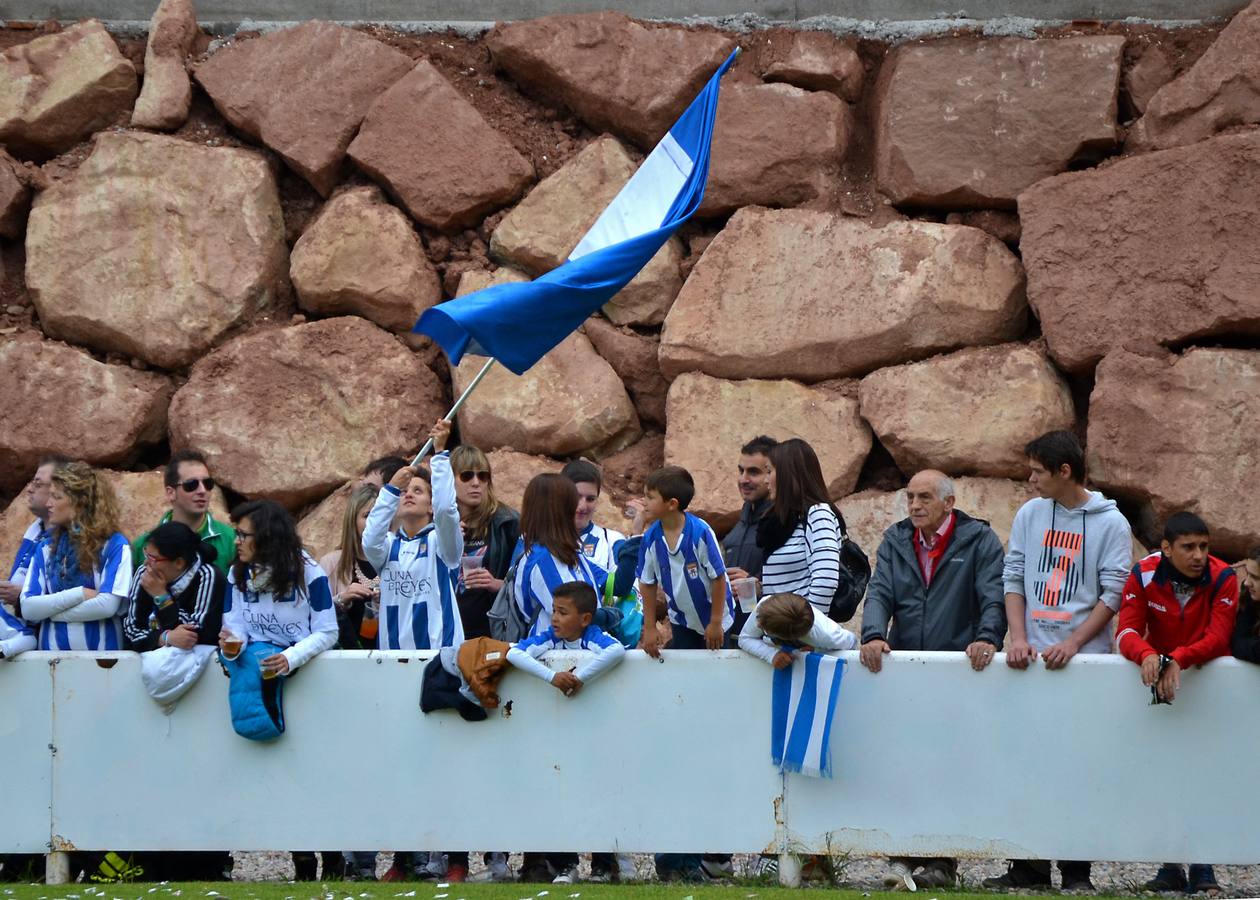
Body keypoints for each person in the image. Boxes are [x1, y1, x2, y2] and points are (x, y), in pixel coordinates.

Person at [987, 430, 1134, 892]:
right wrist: (1019, 637)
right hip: (1028, 661)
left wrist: (1073, 644)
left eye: (1037, 471)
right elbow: (1013, 576)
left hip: (1082, 665)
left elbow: (1113, 592)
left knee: (1077, 767)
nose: (1030, 479)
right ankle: (1026, 866)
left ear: (1063, 471)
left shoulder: (1112, 523)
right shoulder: (1031, 513)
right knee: (1024, 764)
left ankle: (1076, 871)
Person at [860, 469, 1005, 892]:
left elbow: (991, 594)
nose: (916, 505)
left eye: (924, 497)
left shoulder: (979, 540)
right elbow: (880, 590)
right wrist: (871, 634)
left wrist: (987, 637)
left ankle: (941, 859)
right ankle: (903, 850)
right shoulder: (895, 539)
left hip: (956, 671)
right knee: (904, 759)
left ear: (949, 502)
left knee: (948, 762)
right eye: (910, 498)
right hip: (905, 668)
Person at [1116, 512, 1237, 896]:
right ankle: (1169, 865)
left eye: (1204, 546)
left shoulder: (1223, 577)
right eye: (1188, 547)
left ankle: (1204, 866)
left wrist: (1176, 659)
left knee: (1205, 774)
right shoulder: (1143, 572)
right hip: (1164, 681)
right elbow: (1127, 631)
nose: (1199, 555)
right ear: (1166, 549)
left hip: (1208, 684)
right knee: (1162, 771)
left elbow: (1219, 638)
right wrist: (1147, 654)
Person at [506, 581, 627, 885]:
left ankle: (603, 864)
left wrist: (579, 678)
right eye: (553, 612)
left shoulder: (593, 638)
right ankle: (566, 864)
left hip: (595, 735)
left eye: (562, 612)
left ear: (585, 619)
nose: (555, 619)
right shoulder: (549, 639)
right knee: (559, 794)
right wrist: (552, 676)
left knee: (598, 792)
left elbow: (617, 652)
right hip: (557, 738)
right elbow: (514, 654)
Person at [17, 461, 132, 651]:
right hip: (51, 664)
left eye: (56, 497)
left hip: (103, 665)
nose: (48, 503)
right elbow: (28, 608)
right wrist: (79, 594)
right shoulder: (45, 548)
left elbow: (107, 605)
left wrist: (53, 614)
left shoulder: (115, 545)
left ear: (80, 502)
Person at [637, 466, 733, 655]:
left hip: (716, 617)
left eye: (650, 497)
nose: (643, 502)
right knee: (687, 674)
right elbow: (647, 582)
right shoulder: (650, 538)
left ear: (672, 504)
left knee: (717, 671)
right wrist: (649, 627)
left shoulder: (700, 533)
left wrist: (715, 622)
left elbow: (718, 578)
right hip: (681, 620)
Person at [757, 438, 842, 619]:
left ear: (788, 475)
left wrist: (808, 632)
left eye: (769, 471)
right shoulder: (787, 522)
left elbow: (826, 580)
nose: (765, 481)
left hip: (802, 638)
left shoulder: (818, 514)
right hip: (782, 633)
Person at [515, 473, 606, 639]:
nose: (579, 509)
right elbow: (576, 618)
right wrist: (608, 617)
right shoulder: (544, 559)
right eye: (573, 503)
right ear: (559, 511)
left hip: (576, 653)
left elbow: (613, 583)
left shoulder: (568, 550)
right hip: (555, 655)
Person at [451, 443, 519, 639]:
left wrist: (499, 585)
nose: (475, 482)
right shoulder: (438, 525)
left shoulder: (507, 522)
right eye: (466, 476)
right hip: (449, 630)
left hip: (492, 630)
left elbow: (529, 579)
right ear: (450, 481)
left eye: (482, 476)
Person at [131, 450, 236, 577]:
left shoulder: (232, 541)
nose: (202, 490)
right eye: (191, 485)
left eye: (208, 483)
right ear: (171, 493)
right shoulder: (143, 546)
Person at [318, 484, 382, 652]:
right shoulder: (331, 564)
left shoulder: (399, 563)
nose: (374, 522)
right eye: (367, 515)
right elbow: (312, 615)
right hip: (343, 660)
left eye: (380, 515)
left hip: (389, 658)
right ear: (353, 520)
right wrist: (341, 600)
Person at [724, 436, 777, 632]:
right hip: (732, 634)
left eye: (753, 472)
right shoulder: (740, 522)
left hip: (767, 638)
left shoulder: (784, 522)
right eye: (741, 471)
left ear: (772, 473)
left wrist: (759, 585)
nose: (743, 480)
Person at [2, 455, 64, 607]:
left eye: (38, 484)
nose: (29, 489)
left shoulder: (72, 539)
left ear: (58, 490)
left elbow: (75, 597)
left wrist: (23, 596)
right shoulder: (35, 530)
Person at [739, 591, 857, 667]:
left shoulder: (827, 635)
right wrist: (771, 655)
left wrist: (818, 650)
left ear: (787, 636)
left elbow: (852, 643)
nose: (758, 625)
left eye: (766, 630)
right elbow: (745, 638)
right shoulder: (765, 607)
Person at [1231, 546, 1260, 665]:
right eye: (1248, 574)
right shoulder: (1250, 594)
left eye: (1255, 577)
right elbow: (1237, 643)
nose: (1247, 582)